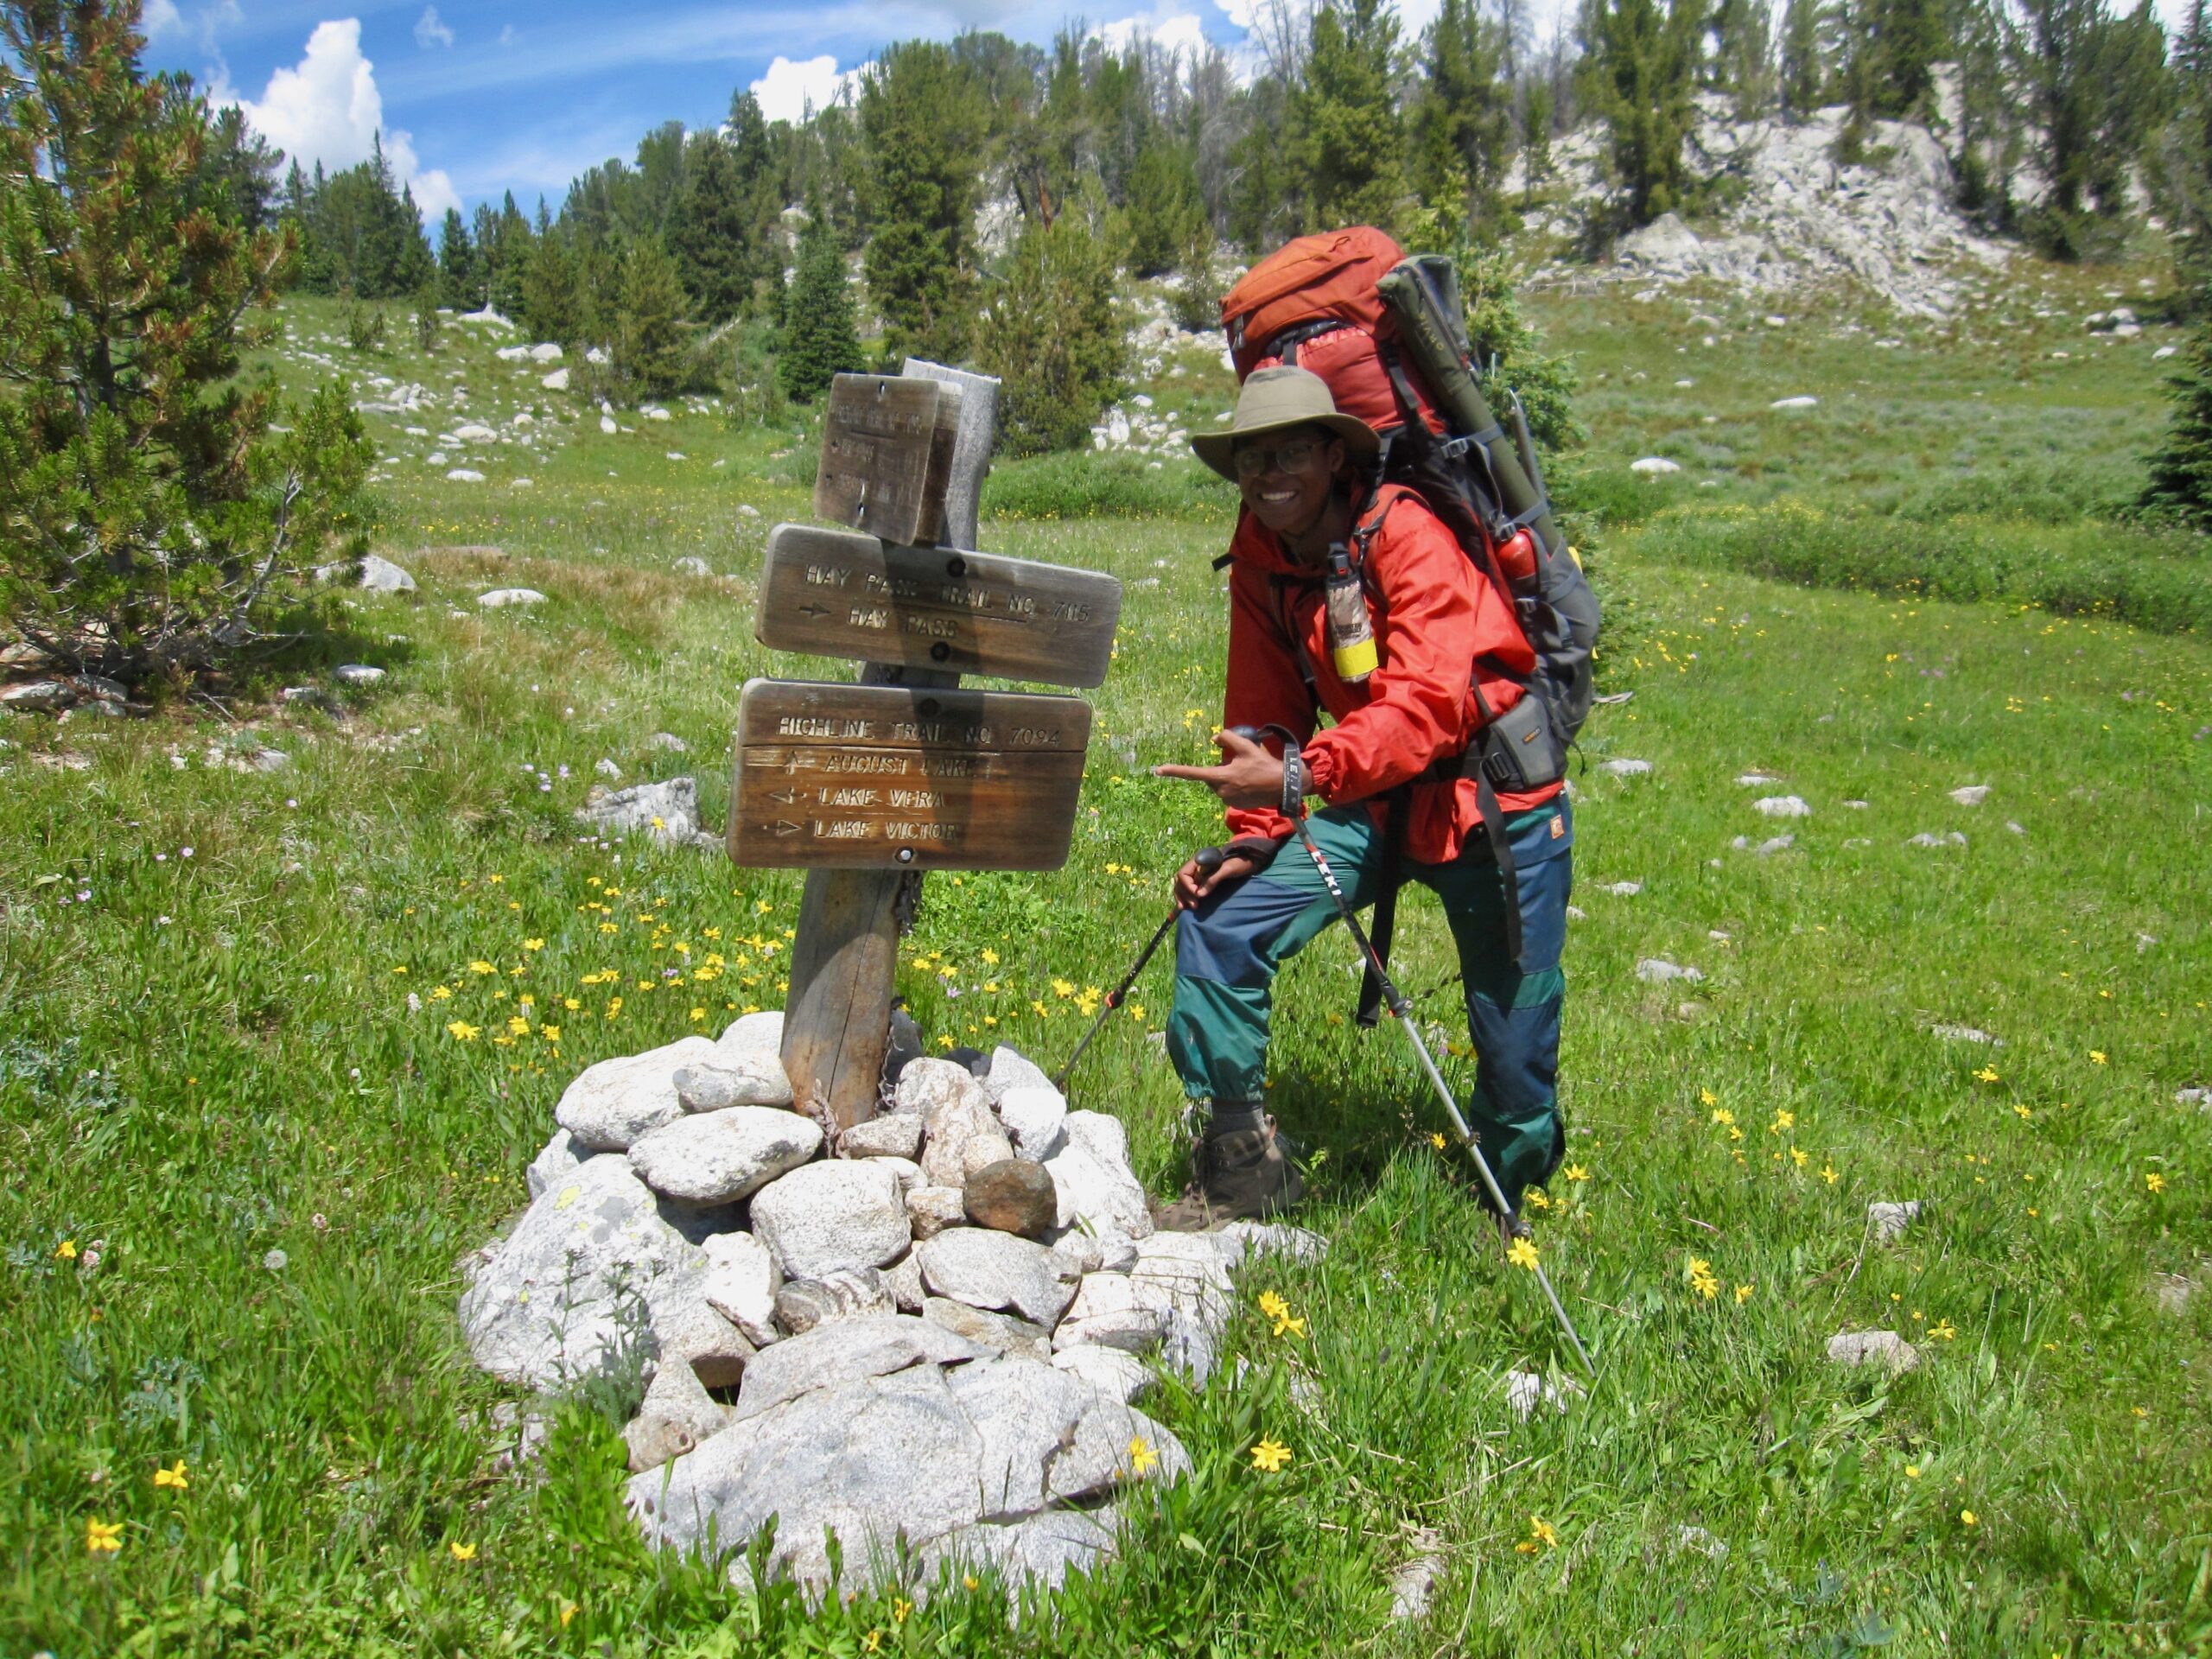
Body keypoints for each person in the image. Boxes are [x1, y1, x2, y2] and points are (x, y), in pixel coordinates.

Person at [1149, 365, 1573, 1235]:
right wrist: (1258, 831)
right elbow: (1260, 711)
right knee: (1221, 917)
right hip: (1367, 799)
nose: (1270, 474)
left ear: (1335, 456)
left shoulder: (1409, 536)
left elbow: (1427, 704)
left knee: (1512, 1021)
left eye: (1292, 452)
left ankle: (1509, 1198)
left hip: (1490, 804)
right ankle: (1240, 1167)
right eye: (1251, 458)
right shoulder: (1262, 557)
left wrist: (1302, 779)